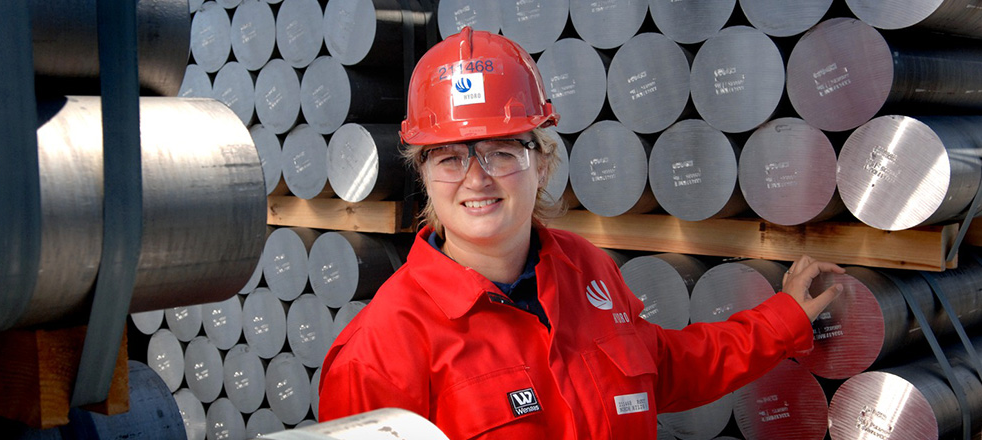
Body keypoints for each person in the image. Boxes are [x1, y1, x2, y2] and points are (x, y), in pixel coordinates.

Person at [317, 26, 844, 439]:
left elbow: (666, 367)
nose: (477, 177)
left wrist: (784, 319)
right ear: (424, 174)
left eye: (502, 151)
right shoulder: (378, 353)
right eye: (450, 157)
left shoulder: (585, 269)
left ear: (541, 163)